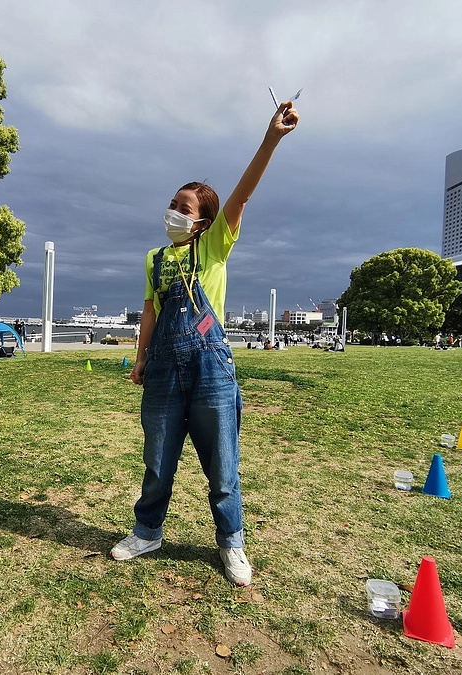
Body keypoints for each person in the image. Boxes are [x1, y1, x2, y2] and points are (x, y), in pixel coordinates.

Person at [110, 95, 300, 587]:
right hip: (162, 370)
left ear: (204, 222)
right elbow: (150, 311)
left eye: (185, 208)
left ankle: (231, 542)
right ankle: (147, 532)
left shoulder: (214, 246)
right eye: (172, 204)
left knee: (222, 463)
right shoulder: (153, 259)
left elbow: (242, 195)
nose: (174, 212)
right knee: (157, 459)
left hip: (211, 367)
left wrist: (271, 139)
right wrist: (140, 359)